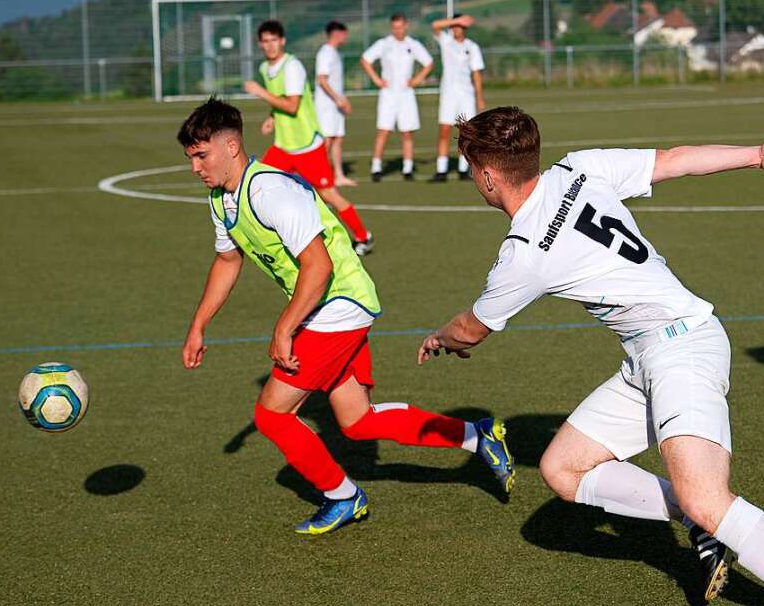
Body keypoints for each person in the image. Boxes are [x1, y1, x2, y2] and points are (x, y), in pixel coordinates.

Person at [417, 106, 764, 606]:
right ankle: (701, 528)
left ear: (487, 176)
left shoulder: (523, 255)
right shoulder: (578, 169)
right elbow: (673, 161)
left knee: (707, 496)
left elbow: (471, 329)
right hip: (647, 357)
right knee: (562, 469)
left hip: (683, 350)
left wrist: (440, 338)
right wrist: (753, 155)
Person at [177, 97, 516, 535]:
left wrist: (285, 328)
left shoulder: (270, 191)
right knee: (358, 423)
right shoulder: (221, 198)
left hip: (337, 306)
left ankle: (343, 496)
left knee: (273, 416)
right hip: (330, 306)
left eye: (201, 156)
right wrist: (198, 326)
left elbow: (320, 267)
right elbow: (227, 261)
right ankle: (478, 435)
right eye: (190, 158)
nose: (195, 167)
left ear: (231, 146)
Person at [243, 20, 374, 256]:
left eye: (274, 40)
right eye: (265, 41)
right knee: (258, 185)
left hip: (306, 147)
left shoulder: (292, 67)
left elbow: (292, 106)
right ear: (260, 44)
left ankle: (363, 236)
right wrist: (272, 116)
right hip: (283, 145)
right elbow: (281, 99)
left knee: (328, 194)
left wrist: (260, 93)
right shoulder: (265, 68)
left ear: (282, 41)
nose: (270, 45)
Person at [360, 13, 434, 181]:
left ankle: (407, 168)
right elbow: (365, 60)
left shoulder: (413, 45)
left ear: (406, 26)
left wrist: (417, 79)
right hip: (388, 94)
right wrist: (376, 79)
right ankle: (376, 167)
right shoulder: (384, 44)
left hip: (406, 94)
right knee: (383, 131)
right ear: (391, 27)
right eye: (395, 28)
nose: (398, 31)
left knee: (407, 132)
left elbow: (428, 63)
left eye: (400, 27)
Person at [429, 14, 486, 182]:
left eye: (459, 26)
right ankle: (441, 170)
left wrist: (479, 97)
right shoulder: (446, 42)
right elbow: (435, 25)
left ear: (464, 29)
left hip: (466, 95)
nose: (456, 29)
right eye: (454, 26)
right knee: (444, 131)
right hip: (448, 94)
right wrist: (455, 20)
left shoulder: (472, 47)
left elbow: (476, 73)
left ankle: (463, 168)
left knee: (466, 132)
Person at [315, 20, 356, 187]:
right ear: (337, 33)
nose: (346, 37)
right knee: (327, 140)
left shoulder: (334, 53)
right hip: (326, 106)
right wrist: (338, 99)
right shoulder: (325, 53)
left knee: (338, 138)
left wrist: (342, 100)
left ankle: (338, 175)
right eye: (344, 33)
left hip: (335, 106)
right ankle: (318, 175)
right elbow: (322, 80)